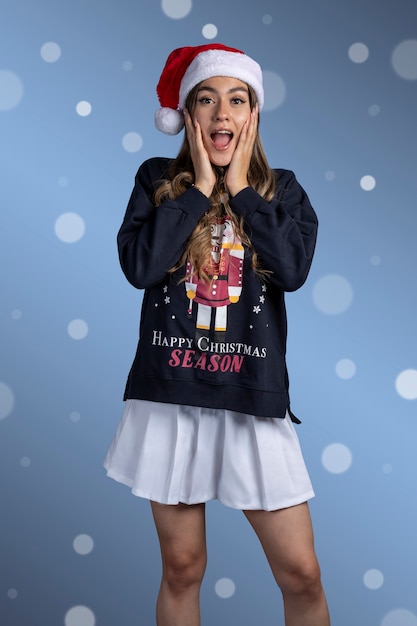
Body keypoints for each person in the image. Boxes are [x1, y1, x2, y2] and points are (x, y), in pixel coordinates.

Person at [104, 43, 330, 626]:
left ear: (253, 114)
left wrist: (245, 192)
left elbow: (293, 270)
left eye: (237, 100)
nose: (222, 114)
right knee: (182, 569)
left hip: (250, 395)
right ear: (188, 113)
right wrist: (201, 189)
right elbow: (142, 269)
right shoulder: (156, 180)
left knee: (301, 574)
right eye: (207, 100)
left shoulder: (283, 190)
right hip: (171, 393)